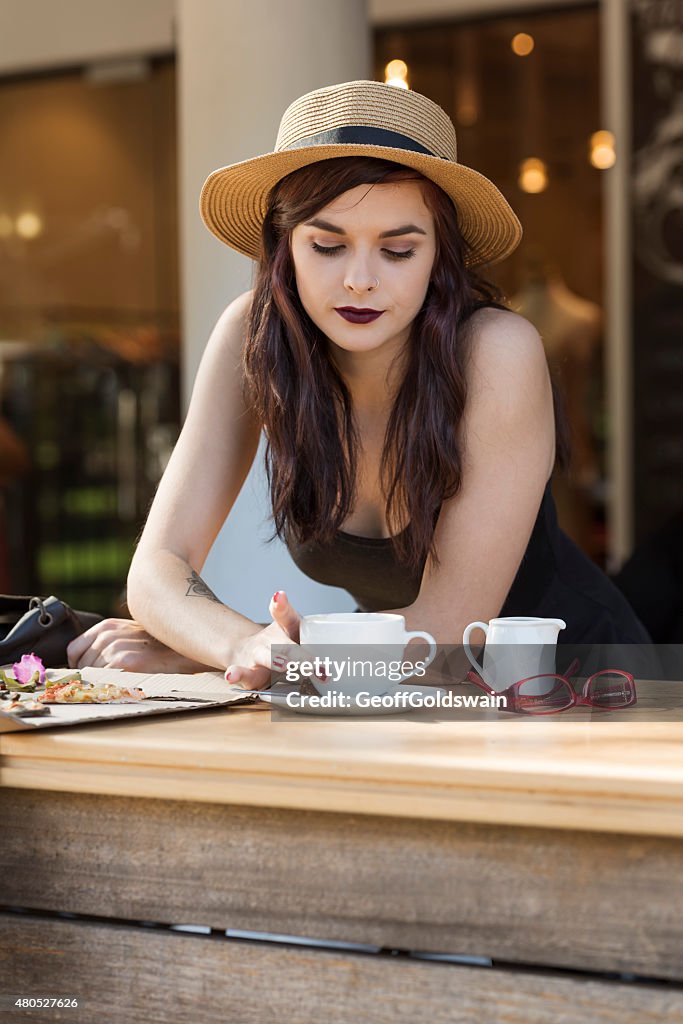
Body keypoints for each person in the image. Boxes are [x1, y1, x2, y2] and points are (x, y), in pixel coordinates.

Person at [66, 79, 650, 689]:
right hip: (387, 692)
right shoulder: (252, 338)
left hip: (578, 687)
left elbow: (446, 630)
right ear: (282, 247)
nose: (360, 281)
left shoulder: (496, 352)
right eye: (327, 245)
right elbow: (157, 570)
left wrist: (222, 649)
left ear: (439, 257)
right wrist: (240, 644)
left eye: (398, 250)